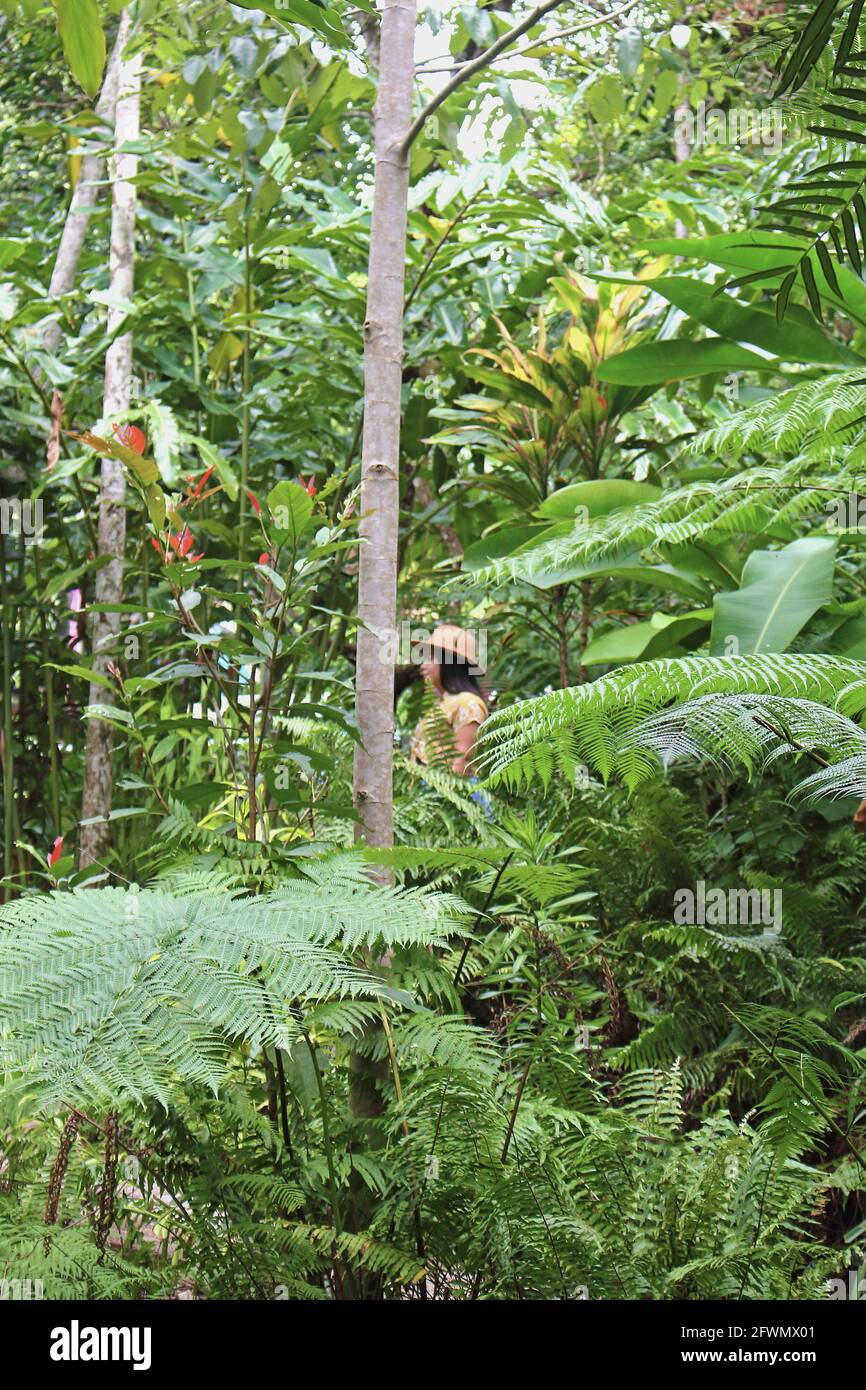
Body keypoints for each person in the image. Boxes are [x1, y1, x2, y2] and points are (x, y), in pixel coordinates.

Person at [410, 624, 488, 777]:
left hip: (448, 794)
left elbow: (461, 761)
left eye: (431, 657)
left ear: (449, 662)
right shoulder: (441, 704)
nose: (423, 665)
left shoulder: (468, 704)